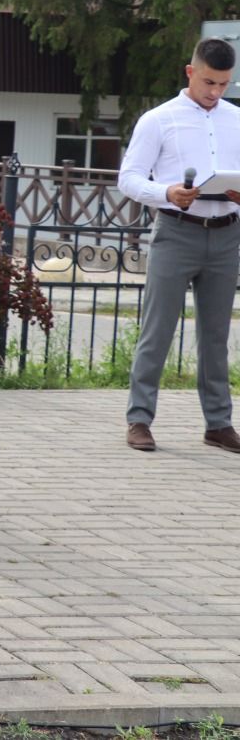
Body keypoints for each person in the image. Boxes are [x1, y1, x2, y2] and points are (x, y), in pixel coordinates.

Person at [116, 38, 240, 454]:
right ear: (190, 72)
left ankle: (219, 424)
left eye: (224, 84)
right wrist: (167, 192)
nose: (215, 92)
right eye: (209, 82)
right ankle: (139, 419)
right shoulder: (159, 120)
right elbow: (129, 178)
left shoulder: (236, 119)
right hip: (176, 231)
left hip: (227, 233)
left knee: (216, 333)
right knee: (158, 329)